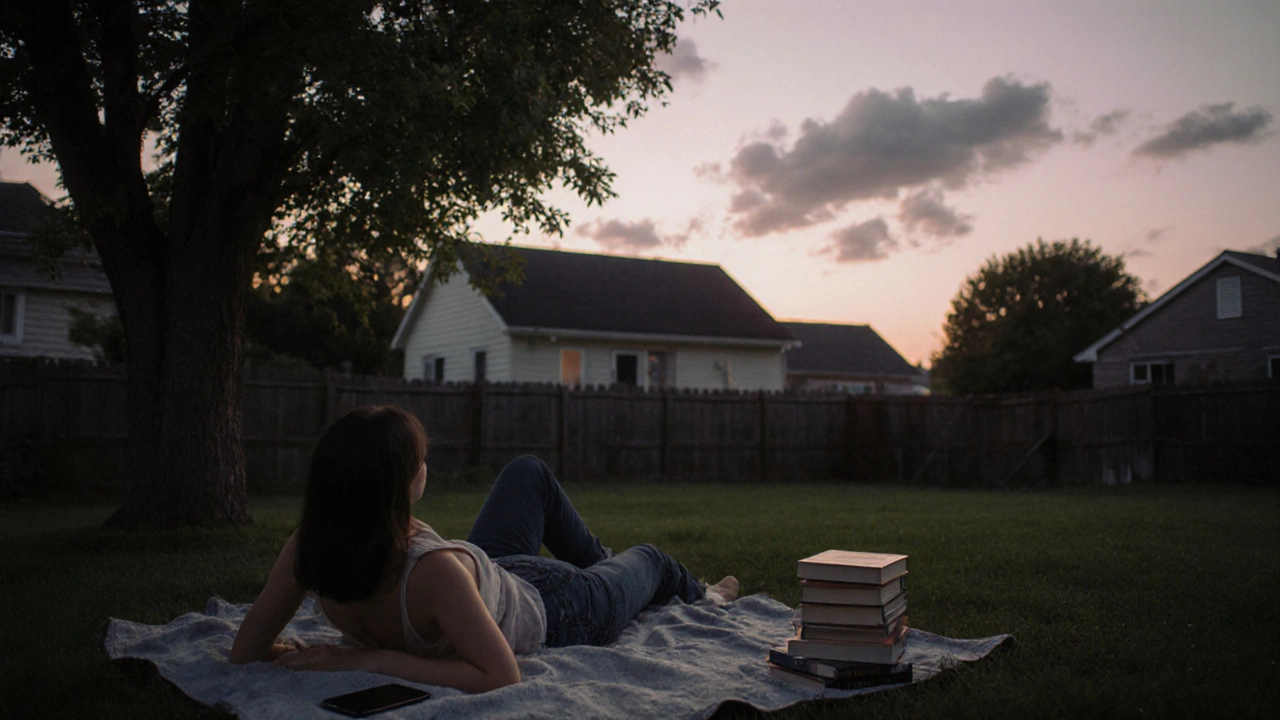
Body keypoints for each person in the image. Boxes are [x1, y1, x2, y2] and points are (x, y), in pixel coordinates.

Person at [230, 405, 738, 693]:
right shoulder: (430, 575)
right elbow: (500, 675)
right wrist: (369, 660)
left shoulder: (311, 546)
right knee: (649, 557)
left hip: (495, 575)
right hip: (562, 609)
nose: (427, 468)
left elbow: (249, 651)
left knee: (527, 472)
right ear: (400, 487)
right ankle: (704, 595)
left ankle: (608, 574)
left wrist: (321, 655)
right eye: (421, 462)